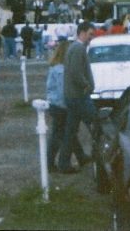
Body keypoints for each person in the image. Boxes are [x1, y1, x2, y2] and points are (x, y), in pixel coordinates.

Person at [58, 21, 96, 174]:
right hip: (79, 96)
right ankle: (101, 158)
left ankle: (65, 162)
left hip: (73, 96)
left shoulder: (75, 48)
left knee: (71, 131)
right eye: (90, 34)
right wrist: (86, 85)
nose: (91, 38)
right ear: (82, 32)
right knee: (96, 125)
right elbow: (75, 72)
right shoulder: (78, 48)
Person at [46, 40, 89, 173]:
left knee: (66, 133)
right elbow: (63, 90)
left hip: (55, 104)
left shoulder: (56, 66)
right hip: (61, 105)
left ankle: (80, 157)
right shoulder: (62, 70)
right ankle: (57, 164)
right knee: (63, 135)